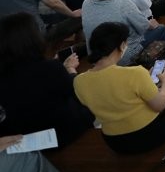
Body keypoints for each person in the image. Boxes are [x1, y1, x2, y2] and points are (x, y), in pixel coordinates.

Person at [73, 22, 165, 155]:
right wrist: (164, 82)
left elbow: (116, 97)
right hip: (150, 135)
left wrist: (147, 80)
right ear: (120, 46)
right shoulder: (134, 73)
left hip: (116, 143)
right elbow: (159, 105)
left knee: (162, 94)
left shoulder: (79, 81)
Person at [0, 12, 95, 145]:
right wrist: (69, 70)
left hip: (25, 141)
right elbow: (78, 94)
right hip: (61, 135)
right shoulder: (51, 69)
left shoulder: (5, 76)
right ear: (33, 38)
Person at [82, 0, 165, 62]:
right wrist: (152, 24)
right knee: (162, 29)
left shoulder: (86, 2)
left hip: (97, 57)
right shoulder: (123, 4)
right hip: (123, 55)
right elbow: (143, 27)